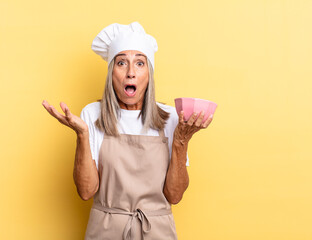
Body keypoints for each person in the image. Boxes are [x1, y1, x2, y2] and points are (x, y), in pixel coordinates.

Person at [42, 21, 214, 240]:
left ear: (149, 74)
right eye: (122, 63)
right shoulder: (92, 115)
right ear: (111, 72)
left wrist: (181, 141)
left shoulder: (171, 117)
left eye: (140, 63)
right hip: (105, 231)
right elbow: (86, 192)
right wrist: (82, 136)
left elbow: (175, 195)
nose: (131, 72)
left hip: (157, 232)